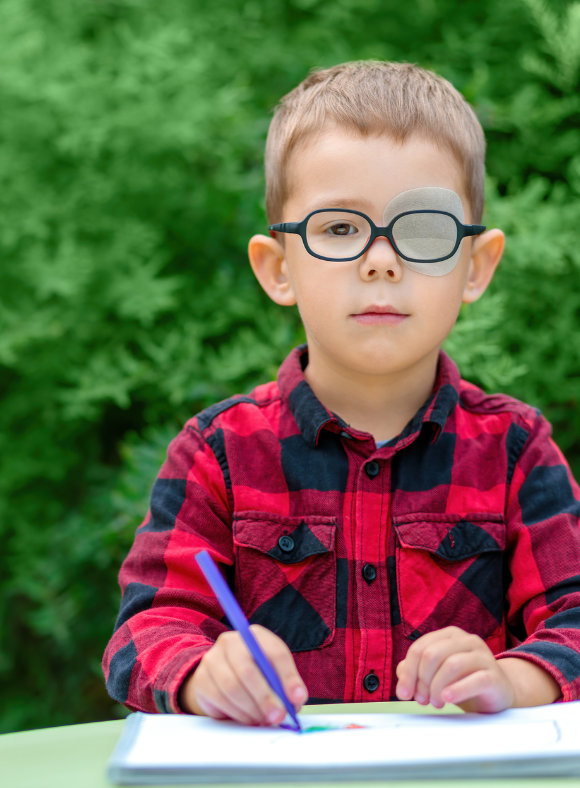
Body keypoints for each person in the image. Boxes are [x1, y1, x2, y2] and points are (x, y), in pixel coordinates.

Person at [102, 61, 580, 727]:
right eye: (339, 229)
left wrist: (510, 678)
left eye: (422, 229)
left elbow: (576, 619)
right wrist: (207, 673)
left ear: (475, 266)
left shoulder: (515, 451)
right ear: (278, 268)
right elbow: (143, 635)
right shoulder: (218, 453)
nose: (382, 259)